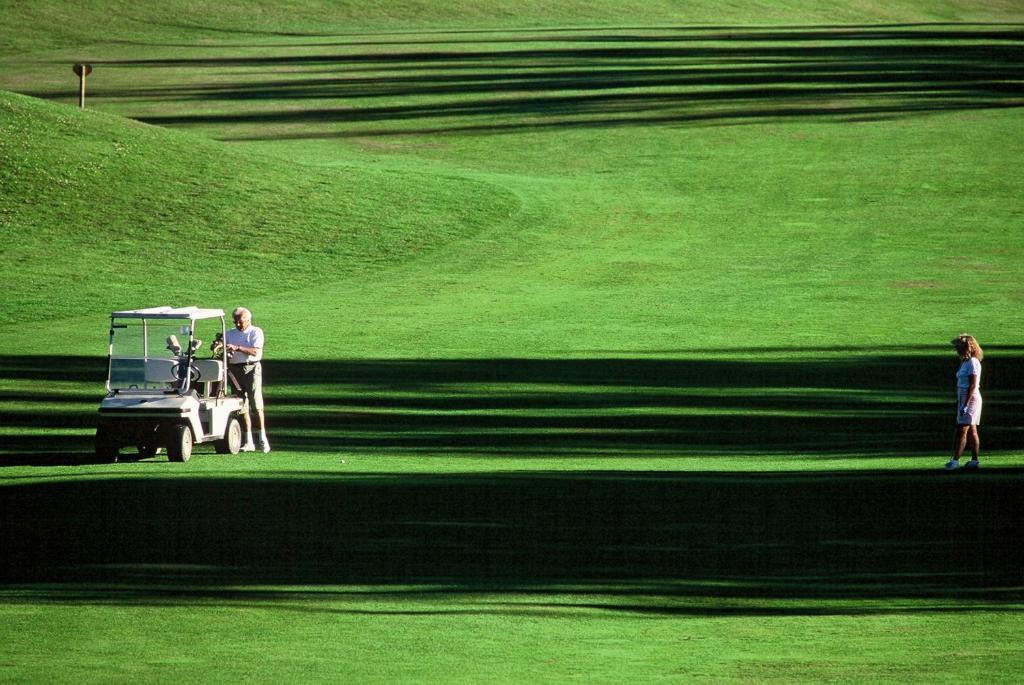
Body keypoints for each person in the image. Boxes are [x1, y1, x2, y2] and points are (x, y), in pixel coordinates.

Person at [225, 307, 270, 453]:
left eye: (241, 321)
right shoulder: (229, 334)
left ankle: (263, 438)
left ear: (248, 320)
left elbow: (255, 351)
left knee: (256, 405)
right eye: (236, 321)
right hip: (235, 370)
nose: (238, 324)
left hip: (252, 369)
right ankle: (248, 441)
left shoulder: (255, 332)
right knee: (241, 406)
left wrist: (237, 348)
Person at [945, 334, 983, 470]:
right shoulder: (965, 362)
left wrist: (966, 404)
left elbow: (973, 385)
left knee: (962, 429)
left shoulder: (973, 362)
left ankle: (955, 461)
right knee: (972, 429)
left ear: (966, 348)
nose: (957, 350)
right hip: (963, 397)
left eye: (958, 347)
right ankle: (974, 461)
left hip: (971, 398)